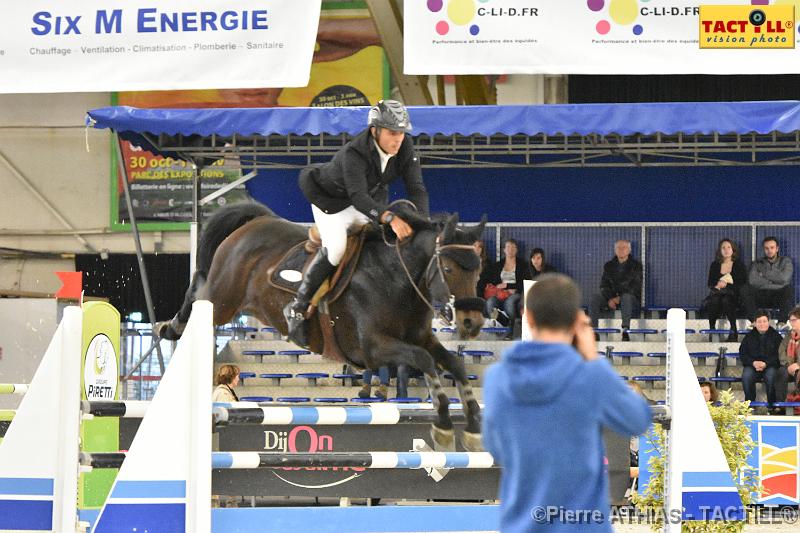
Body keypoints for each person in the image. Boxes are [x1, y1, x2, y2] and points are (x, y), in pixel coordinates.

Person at [483, 274, 651, 533]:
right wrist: (593, 359)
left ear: (527, 317)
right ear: (576, 320)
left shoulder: (497, 378)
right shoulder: (589, 376)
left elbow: (496, 448)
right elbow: (638, 418)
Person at [284, 100, 430, 347]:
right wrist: (391, 218)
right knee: (338, 248)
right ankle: (298, 306)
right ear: (375, 131)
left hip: (366, 201)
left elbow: (417, 188)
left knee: (380, 239)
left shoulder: (405, 148)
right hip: (330, 203)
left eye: (402, 133)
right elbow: (358, 197)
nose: (398, 139)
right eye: (392, 133)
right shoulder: (355, 152)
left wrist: (423, 224)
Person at [589, 240, 643, 341]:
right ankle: (594, 331)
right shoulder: (609, 266)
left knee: (626, 297)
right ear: (615, 250)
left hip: (630, 300)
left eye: (624, 248)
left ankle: (625, 331)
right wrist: (610, 298)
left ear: (629, 250)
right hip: (611, 299)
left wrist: (618, 298)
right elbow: (604, 285)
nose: (621, 250)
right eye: (618, 248)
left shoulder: (636, 266)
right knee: (594, 298)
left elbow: (635, 286)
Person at [739, 310, 786, 415]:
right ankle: (750, 405)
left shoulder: (776, 337)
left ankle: (772, 406)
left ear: (768, 322)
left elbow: (779, 356)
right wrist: (753, 363)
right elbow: (743, 354)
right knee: (746, 375)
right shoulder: (748, 337)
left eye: (764, 321)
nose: (762, 324)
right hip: (753, 366)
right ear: (755, 323)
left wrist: (766, 363)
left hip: (770, 365)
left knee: (771, 376)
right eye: (759, 322)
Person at [482, 239, 531, 339]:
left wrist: (508, 286)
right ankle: (496, 331)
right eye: (508, 247)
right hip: (500, 294)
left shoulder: (523, 265)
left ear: (517, 250)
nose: (510, 249)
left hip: (515, 293)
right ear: (504, 250)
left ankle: (511, 330)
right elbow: (493, 282)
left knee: (509, 304)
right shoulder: (497, 265)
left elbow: (525, 282)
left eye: (513, 247)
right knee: (491, 302)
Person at [741, 236, 794, 327]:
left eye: (772, 247)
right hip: (761, 296)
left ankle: (782, 322)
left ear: (777, 248)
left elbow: (784, 279)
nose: (769, 250)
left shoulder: (786, 261)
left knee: (789, 289)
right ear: (764, 249)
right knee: (745, 289)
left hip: (778, 296)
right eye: (766, 248)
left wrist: (764, 274)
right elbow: (752, 281)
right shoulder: (757, 263)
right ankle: (755, 321)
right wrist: (775, 281)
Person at [704, 238, 747, 342]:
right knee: (714, 300)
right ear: (720, 250)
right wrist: (718, 285)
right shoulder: (715, 265)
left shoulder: (739, 265)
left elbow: (742, 283)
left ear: (733, 250)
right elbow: (711, 283)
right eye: (723, 248)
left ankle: (733, 330)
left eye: (729, 247)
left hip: (734, 297)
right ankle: (712, 329)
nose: (726, 250)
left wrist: (726, 284)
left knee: (726, 300)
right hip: (718, 296)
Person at [778, 305, 800, 404]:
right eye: (790, 320)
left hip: (798, 366)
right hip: (789, 365)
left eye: (794, 320)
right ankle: (780, 405)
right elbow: (781, 351)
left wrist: (798, 365)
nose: (791, 323)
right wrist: (788, 364)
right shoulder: (788, 335)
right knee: (780, 372)